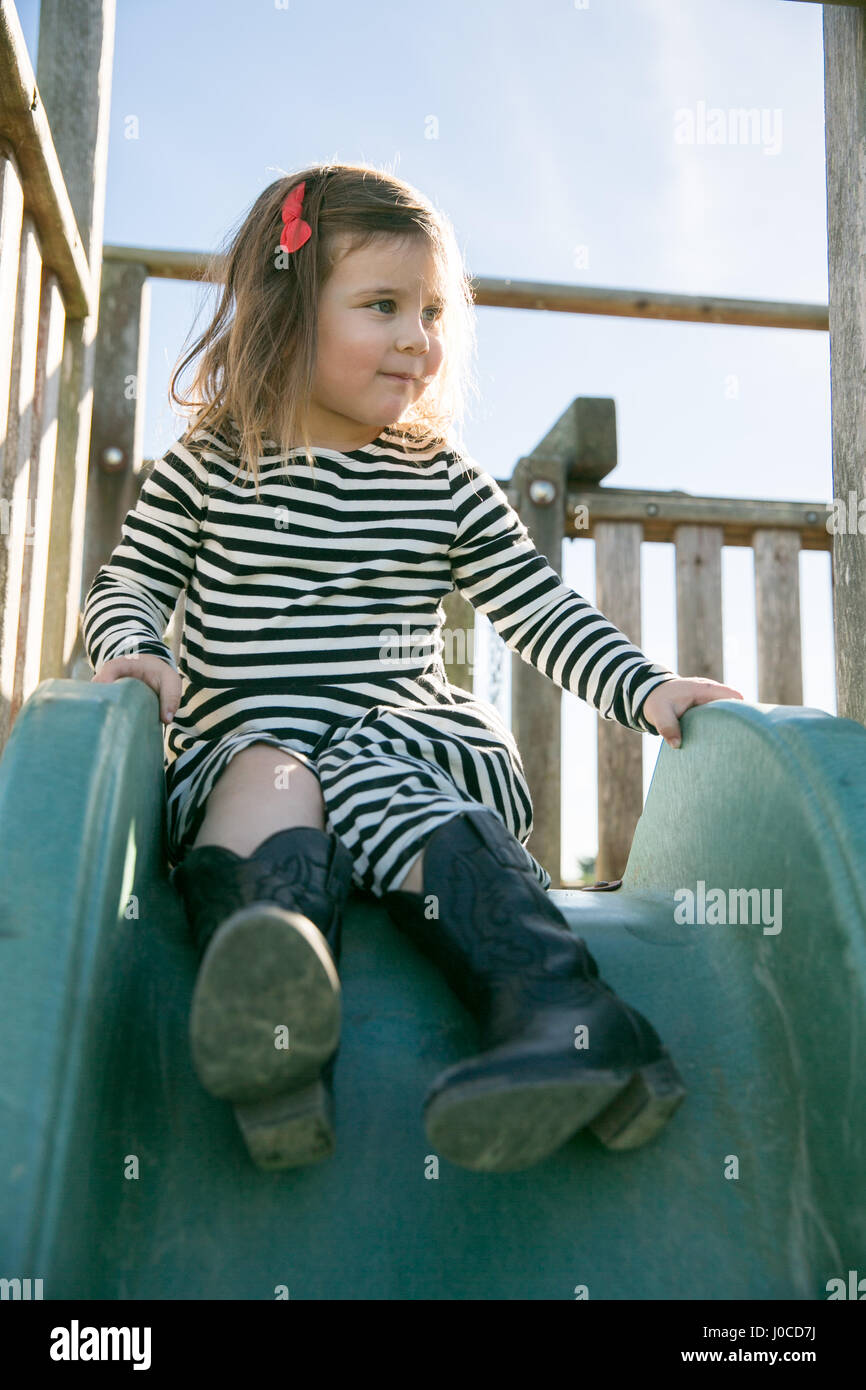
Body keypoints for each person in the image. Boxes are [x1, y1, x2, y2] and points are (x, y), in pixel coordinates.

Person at [82, 163, 743, 1175]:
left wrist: (644, 689)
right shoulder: (210, 467)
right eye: (382, 305)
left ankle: (561, 1008)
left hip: (408, 752)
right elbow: (128, 582)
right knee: (269, 767)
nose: (416, 339)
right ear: (288, 311)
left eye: (433, 312)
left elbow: (536, 603)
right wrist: (132, 648)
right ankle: (269, 1007)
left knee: (353, 767)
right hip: (253, 766)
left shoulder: (437, 480)